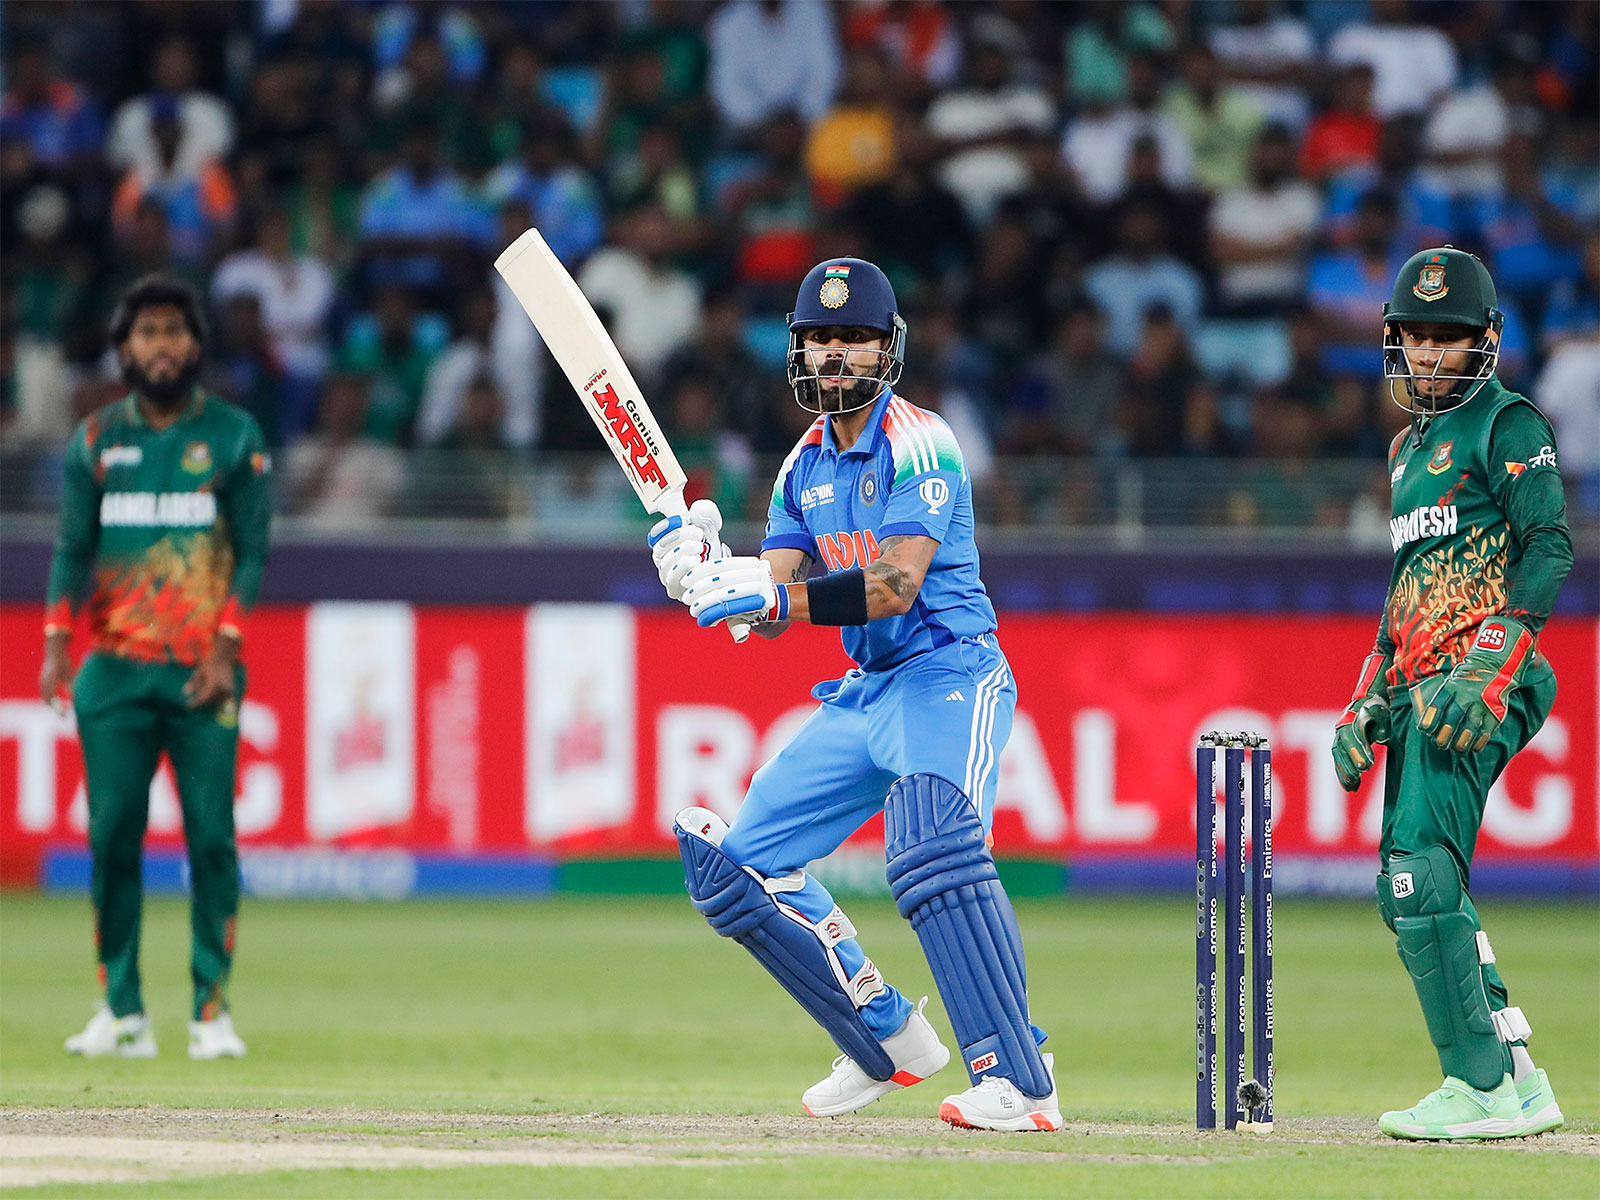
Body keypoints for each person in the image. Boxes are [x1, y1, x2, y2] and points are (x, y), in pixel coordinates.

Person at [648, 258, 1059, 1132]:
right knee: (737, 869)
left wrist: (770, 593)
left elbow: (894, 584)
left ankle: (1019, 1079)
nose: (835, 356)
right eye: (820, 340)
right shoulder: (802, 466)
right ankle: (886, 1036)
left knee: (931, 849)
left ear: (889, 350)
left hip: (950, 671)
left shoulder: (925, 442)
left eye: (855, 339)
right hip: (868, 691)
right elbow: (774, 600)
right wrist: (710, 575)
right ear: (798, 350)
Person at [1329, 247, 1572, 1141]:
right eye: (1418, 337)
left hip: (1485, 681)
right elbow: (1405, 594)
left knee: (1418, 871)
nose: (1432, 355)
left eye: (1451, 337)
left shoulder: (1508, 424)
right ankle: (1513, 1073)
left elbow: (1549, 545)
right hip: (1424, 683)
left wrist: (1492, 667)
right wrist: (1365, 699)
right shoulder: (1406, 450)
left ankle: (1479, 1088)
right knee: (1411, 887)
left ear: (1486, 343)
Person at [40, 276, 272, 1060]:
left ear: (197, 345)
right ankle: (122, 1012)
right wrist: (53, 642)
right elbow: (72, 548)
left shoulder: (236, 437)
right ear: (124, 347)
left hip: (201, 674)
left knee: (211, 839)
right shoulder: (97, 438)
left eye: (175, 331)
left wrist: (225, 647)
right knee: (111, 838)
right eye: (147, 333)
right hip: (114, 670)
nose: (162, 345)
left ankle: (212, 1013)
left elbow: (251, 556)